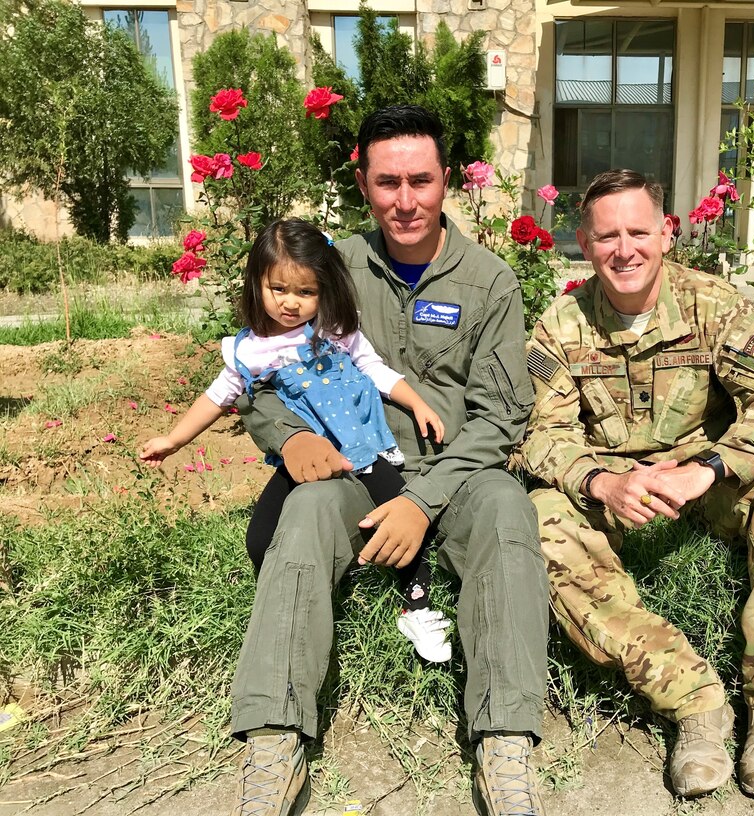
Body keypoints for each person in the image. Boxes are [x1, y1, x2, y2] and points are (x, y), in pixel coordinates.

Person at [227, 106, 550, 816]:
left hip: (458, 473)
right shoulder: (328, 268)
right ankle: (273, 737)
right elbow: (255, 366)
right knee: (306, 510)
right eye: (388, 182)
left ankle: (505, 739)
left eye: (421, 181)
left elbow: (501, 414)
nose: (406, 200)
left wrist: (423, 501)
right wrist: (289, 438)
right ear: (364, 183)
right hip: (350, 469)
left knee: (507, 509)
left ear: (446, 183)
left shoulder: (491, 282)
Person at [520, 169, 754, 802]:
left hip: (704, 478)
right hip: (615, 487)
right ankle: (693, 699)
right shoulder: (560, 324)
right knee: (533, 518)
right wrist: (601, 481)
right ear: (583, 241)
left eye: (638, 231)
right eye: (606, 236)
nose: (624, 249)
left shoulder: (713, 306)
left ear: (666, 232)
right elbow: (538, 436)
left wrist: (706, 469)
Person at [140, 218, 454, 664]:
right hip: (304, 459)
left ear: (324, 292)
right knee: (261, 536)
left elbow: (377, 370)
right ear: (257, 284)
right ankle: (283, 603)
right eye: (278, 289)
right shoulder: (249, 352)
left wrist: (416, 402)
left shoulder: (335, 331)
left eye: (305, 292)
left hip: (362, 446)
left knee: (401, 519)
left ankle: (417, 605)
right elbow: (215, 399)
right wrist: (173, 440)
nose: (291, 303)